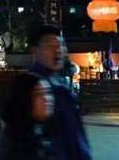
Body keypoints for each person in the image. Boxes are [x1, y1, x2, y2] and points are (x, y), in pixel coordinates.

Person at [30, 25, 91, 160]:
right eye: (50, 45)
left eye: (61, 45)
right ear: (35, 51)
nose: (57, 50)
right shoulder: (32, 88)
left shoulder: (61, 83)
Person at [0, 73, 55, 160]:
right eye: (38, 94)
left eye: (48, 92)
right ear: (25, 98)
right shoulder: (18, 141)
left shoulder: (39, 131)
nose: (47, 98)